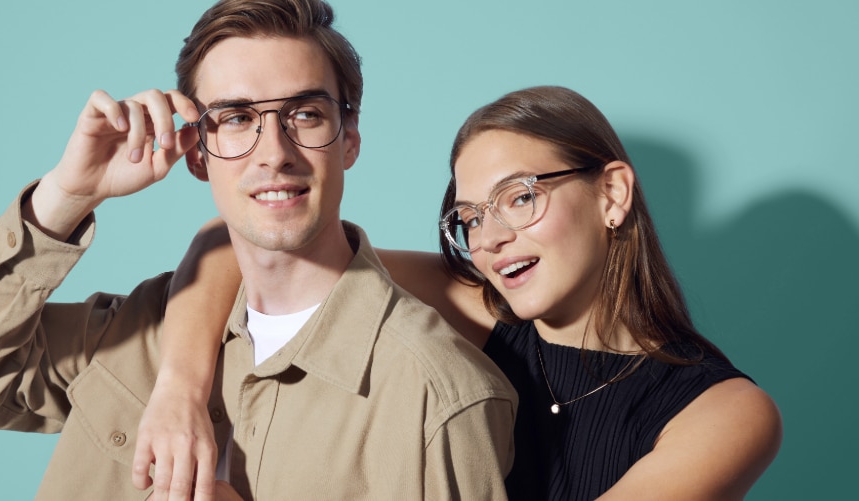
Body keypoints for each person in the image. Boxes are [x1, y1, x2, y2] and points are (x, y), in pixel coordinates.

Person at [0, 0, 518, 499]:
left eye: (304, 113)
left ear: (349, 138)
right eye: (235, 118)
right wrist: (68, 193)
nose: (273, 152)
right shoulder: (142, 330)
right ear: (197, 152)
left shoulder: (438, 396)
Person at [147, 85, 784, 500]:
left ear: (612, 194)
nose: (492, 238)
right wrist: (177, 394)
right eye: (473, 216)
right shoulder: (480, 308)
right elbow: (242, 240)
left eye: (521, 197)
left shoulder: (726, 412)